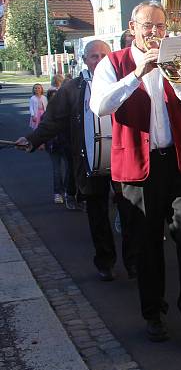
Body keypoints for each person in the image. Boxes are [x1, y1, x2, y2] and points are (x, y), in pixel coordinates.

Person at [91, 0, 181, 350]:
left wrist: (176, 77)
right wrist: (137, 74)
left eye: (160, 27)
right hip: (137, 165)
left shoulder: (178, 58)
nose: (154, 33)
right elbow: (100, 106)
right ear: (132, 29)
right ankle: (154, 314)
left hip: (177, 161)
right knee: (146, 246)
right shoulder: (112, 63)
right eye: (147, 26)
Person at [17, 40, 139, 281]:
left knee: (130, 213)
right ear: (84, 60)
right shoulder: (72, 88)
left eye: (104, 54)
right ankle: (105, 262)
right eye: (93, 56)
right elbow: (53, 121)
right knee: (97, 216)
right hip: (89, 163)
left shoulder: (124, 82)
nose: (99, 59)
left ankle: (134, 263)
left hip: (122, 160)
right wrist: (32, 140)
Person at [44, 74, 77, 209]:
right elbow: (47, 126)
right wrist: (34, 141)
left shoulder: (74, 107)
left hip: (70, 144)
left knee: (72, 170)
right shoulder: (53, 111)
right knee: (59, 170)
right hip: (57, 144)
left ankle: (70, 193)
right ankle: (61, 193)